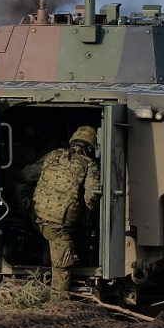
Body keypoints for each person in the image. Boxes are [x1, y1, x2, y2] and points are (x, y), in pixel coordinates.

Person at [31, 125, 101, 294]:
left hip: (35, 217)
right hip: (59, 227)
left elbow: (28, 174)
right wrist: (92, 214)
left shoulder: (54, 154)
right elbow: (91, 197)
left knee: (51, 238)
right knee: (63, 262)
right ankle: (58, 301)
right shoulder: (89, 165)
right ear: (91, 148)